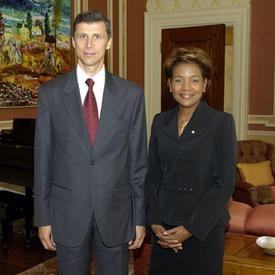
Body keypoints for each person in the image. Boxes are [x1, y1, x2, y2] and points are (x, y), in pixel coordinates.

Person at [34, 10, 147, 275]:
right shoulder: (50, 95)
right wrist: (43, 218)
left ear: (108, 41)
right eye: (82, 36)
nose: (89, 44)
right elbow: (43, 161)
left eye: (97, 36)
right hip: (67, 213)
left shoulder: (131, 95)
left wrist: (139, 218)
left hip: (117, 214)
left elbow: (138, 163)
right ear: (73, 41)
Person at [145, 47, 237, 275]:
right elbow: (153, 177)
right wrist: (154, 223)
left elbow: (224, 184)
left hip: (203, 228)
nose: (186, 88)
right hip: (163, 228)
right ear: (169, 85)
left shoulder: (221, 123)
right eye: (179, 80)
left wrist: (190, 229)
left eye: (194, 80)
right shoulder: (159, 122)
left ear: (205, 84)